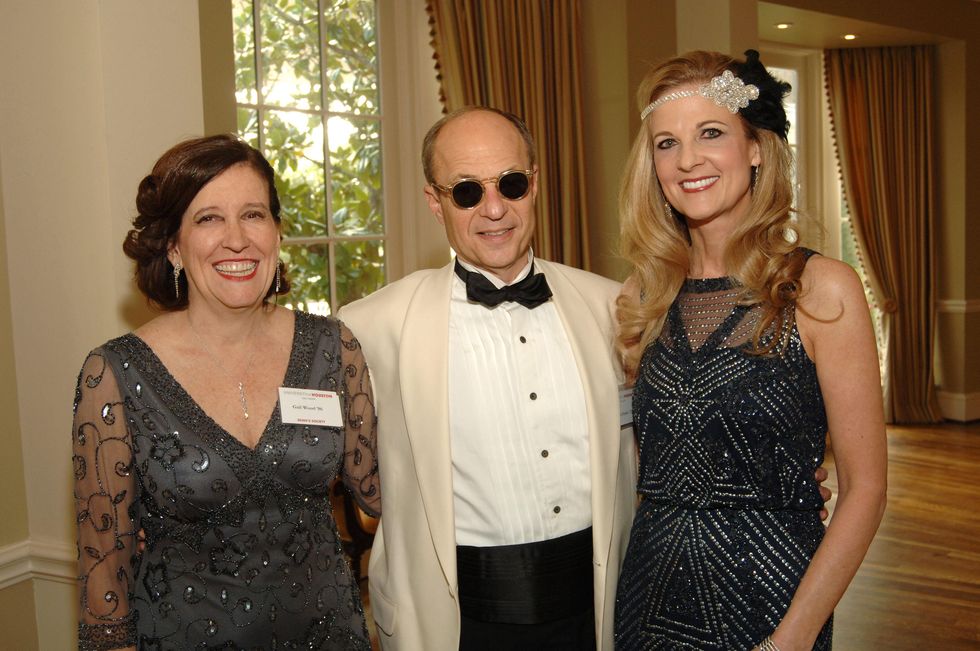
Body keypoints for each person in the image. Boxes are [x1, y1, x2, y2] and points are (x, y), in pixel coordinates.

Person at [613, 50, 887, 650]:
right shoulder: (642, 298)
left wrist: (793, 638)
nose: (688, 160)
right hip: (648, 596)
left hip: (773, 602)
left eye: (711, 133)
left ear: (756, 147)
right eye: (666, 143)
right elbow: (643, 464)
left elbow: (866, 490)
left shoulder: (819, 290)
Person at [338, 107, 637, 650]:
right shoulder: (370, 326)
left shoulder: (613, 307)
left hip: (596, 610)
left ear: (535, 185)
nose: (494, 209)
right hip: (453, 621)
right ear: (436, 203)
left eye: (512, 184)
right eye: (467, 192)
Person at [72, 134, 380, 650]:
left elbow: (383, 495)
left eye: (254, 215)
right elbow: (105, 578)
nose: (236, 239)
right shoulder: (117, 373)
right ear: (173, 244)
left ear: (277, 231)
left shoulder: (333, 347)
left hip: (330, 635)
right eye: (209, 218)